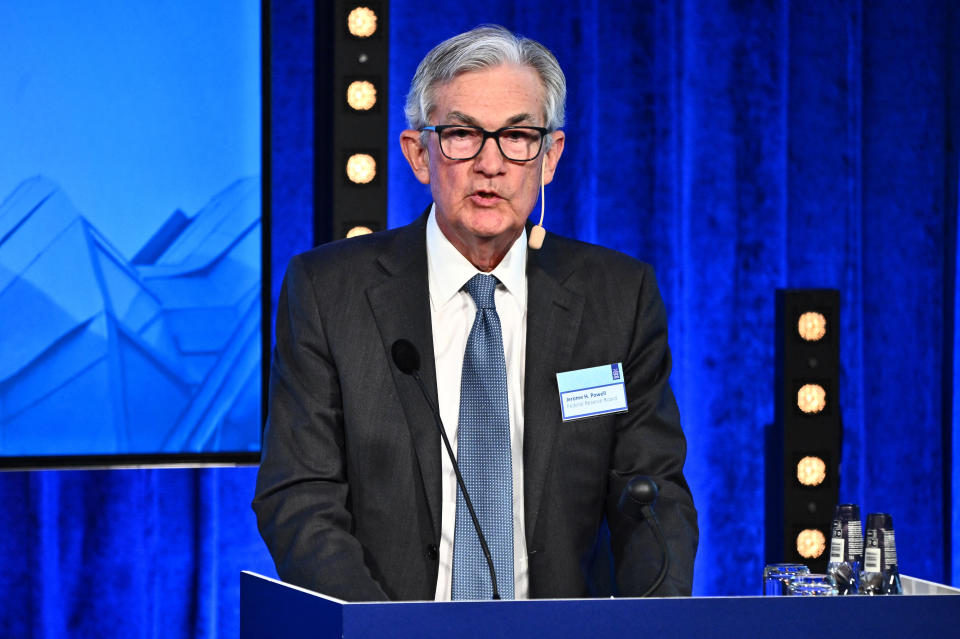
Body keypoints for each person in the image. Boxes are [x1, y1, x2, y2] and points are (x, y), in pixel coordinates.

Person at [253, 25, 698, 602]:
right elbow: (300, 496)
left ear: (550, 156)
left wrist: (652, 625)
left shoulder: (618, 295)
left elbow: (653, 492)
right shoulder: (328, 291)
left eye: (518, 136)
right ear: (419, 154)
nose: (491, 163)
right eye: (462, 134)